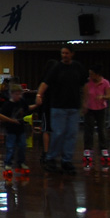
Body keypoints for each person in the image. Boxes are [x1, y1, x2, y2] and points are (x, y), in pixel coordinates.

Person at [37, 45, 87, 173]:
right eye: (62, 53)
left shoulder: (78, 67)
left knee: (71, 134)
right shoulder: (56, 68)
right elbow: (45, 82)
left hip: (73, 107)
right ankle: (51, 158)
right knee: (58, 134)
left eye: (66, 53)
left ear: (72, 54)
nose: (64, 55)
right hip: (58, 106)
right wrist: (39, 95)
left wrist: (86, 102)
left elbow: (84, 85)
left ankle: (67, 160)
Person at [0, 83, 33, 175]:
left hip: (21, 129)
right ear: (11, 94)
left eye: (20, 94)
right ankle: (8, 163)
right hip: (11, 130)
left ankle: (21, 162)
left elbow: (27, 108)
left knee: (22, 146)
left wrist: (37, 105)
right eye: (17, 94)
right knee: (10, 147)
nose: (19, 96)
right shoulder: (7, 105)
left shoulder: (22, 102)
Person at [82, 68, 110, 168]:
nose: (90, 76)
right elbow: (85, 96)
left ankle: (104, 149)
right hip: (90, 109)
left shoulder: (105, 83)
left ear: (97, 74)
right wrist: (84, 106)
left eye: (92, 74)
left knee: (101, 129)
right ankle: (87, 149)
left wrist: (102, 97)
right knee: (88, 129)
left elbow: (108, 95)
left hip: (101, 109)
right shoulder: (88, 83)